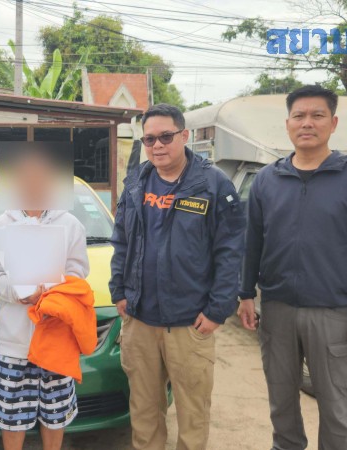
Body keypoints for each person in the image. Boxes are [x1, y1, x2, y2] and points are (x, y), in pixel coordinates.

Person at [237, 85, 347, 450]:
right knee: (281, 402)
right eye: (299, 116)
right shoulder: (267, 180)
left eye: (317, 115)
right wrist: (245, 294)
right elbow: (252, 242)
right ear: (287, 123)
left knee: (336, 405)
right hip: (277, 310)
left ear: (333, 123)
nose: (307, 123)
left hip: (333, 312)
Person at [109, 103, 246, 450]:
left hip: (189, 322)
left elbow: (230, 251)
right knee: (144, 411)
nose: (157, 145)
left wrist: (217, 310)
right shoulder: (136, 182)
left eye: (166, 137)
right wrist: (118, 291)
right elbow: (121, 240)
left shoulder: (212, 184)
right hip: (140, 319)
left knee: (192, 413)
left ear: (184, 136)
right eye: (150, 139)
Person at [0, 148, 90, 450]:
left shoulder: (70, 224)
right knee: (12, 414)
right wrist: (19, 291)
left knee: (56, 413)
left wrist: (53, 288)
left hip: (56, 335)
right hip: (15, 340)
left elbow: (78, 271)